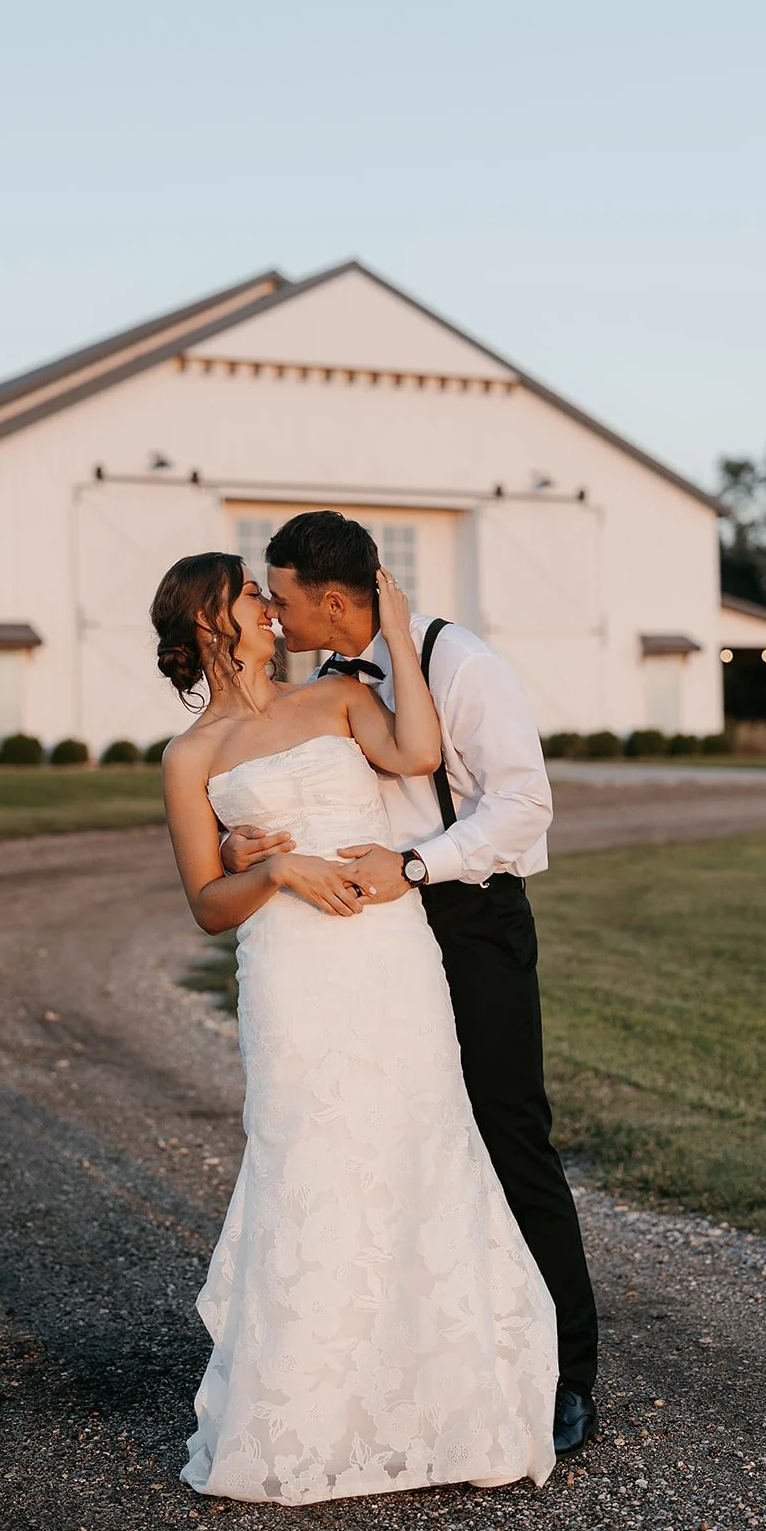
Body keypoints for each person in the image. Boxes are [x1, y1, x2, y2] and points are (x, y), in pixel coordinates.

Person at [151, 550, 558, 1506]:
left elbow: (416, 755)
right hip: (291, 970)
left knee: (418, 1142)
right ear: (212, 624)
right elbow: (210, 904)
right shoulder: (188, 757)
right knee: (310, 1157)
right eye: (249, 596)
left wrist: (401, 631)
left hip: (387, 953)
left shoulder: (333, 699)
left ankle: (444, 1407)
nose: (267, 605)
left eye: (266, 590)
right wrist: (275, 873)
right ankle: (310, 1415)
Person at [222, 511, 600, 1458]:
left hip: (466, 919)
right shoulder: (323, 683)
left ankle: (565, 1373)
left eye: (281, 594)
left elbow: (522, 806)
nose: (270, 608)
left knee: (508, 1131)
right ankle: (421, 1359)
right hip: (372, 941)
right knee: (395, 1143)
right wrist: (243, 838)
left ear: (335, 601)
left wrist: (421, 868)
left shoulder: (461, 664)